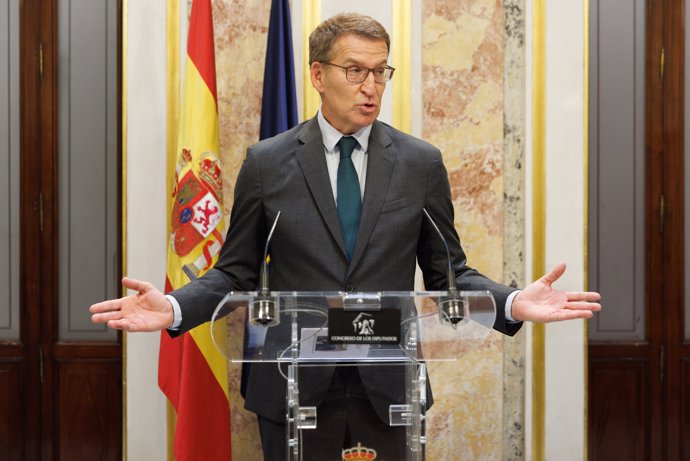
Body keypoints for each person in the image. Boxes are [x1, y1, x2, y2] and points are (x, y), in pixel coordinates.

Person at [91, 12, 601, 460]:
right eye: (355, 71)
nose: (371, 86)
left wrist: (511, 302)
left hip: (388, 387)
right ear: (318, 74)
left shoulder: (420, 163)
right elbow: (235, 271)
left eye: (380, 72)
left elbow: (450, 272)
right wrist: (176, 309)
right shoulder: (267, 163)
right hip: (293, 384)